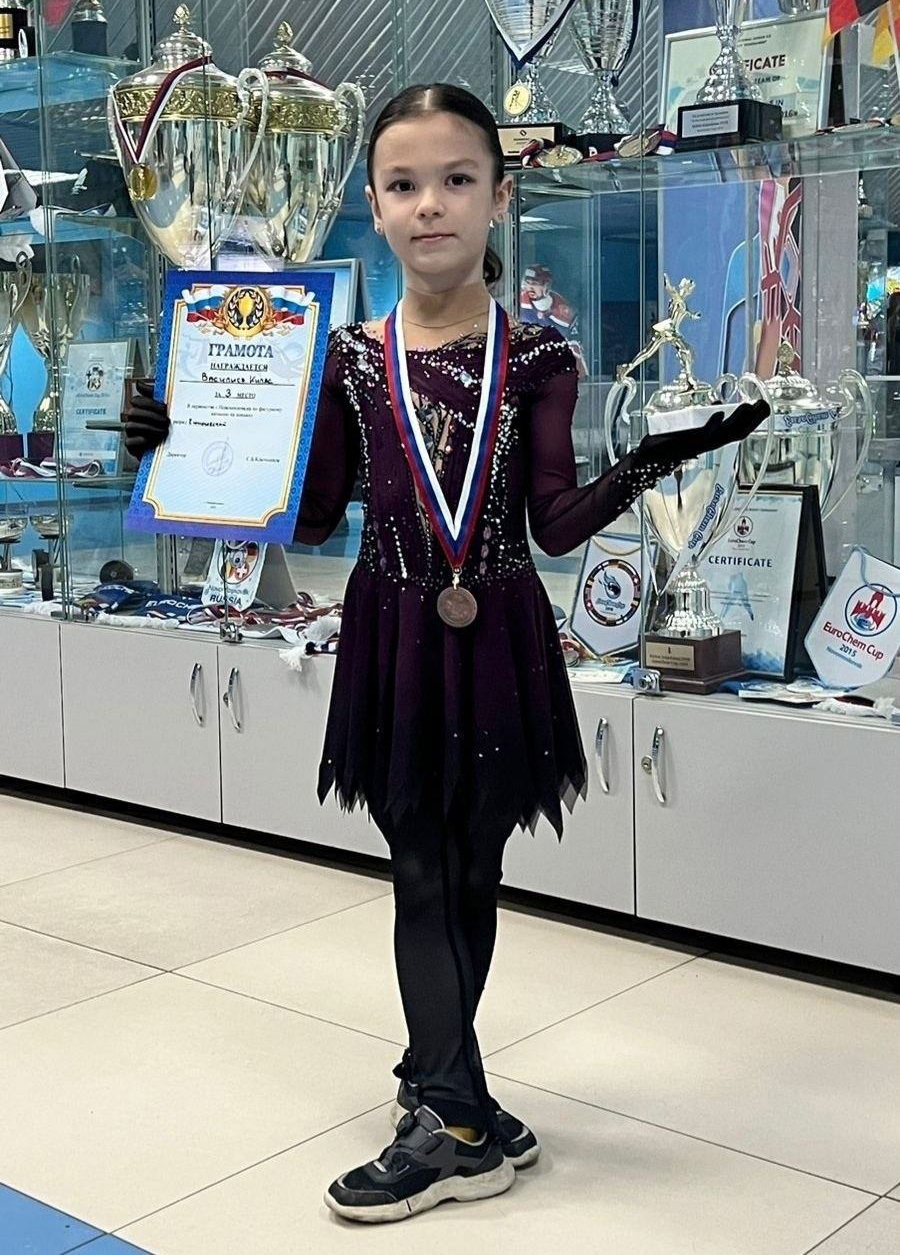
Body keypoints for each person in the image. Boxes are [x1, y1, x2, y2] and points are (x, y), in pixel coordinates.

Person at [124, 82, 768, 1225]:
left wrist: (653, 458)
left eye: (457, 180)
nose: (432, 204)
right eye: (405, 184)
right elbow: (309, 514)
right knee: (418, 865)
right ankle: (456, 1109)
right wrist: (179, 445)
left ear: (499, 196)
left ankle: (450, 1099)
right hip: (395, 633)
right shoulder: (348, 359)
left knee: (475, 868)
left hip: (501, 632)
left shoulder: (540, 356)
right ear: (375, 205)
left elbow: (554, 525)